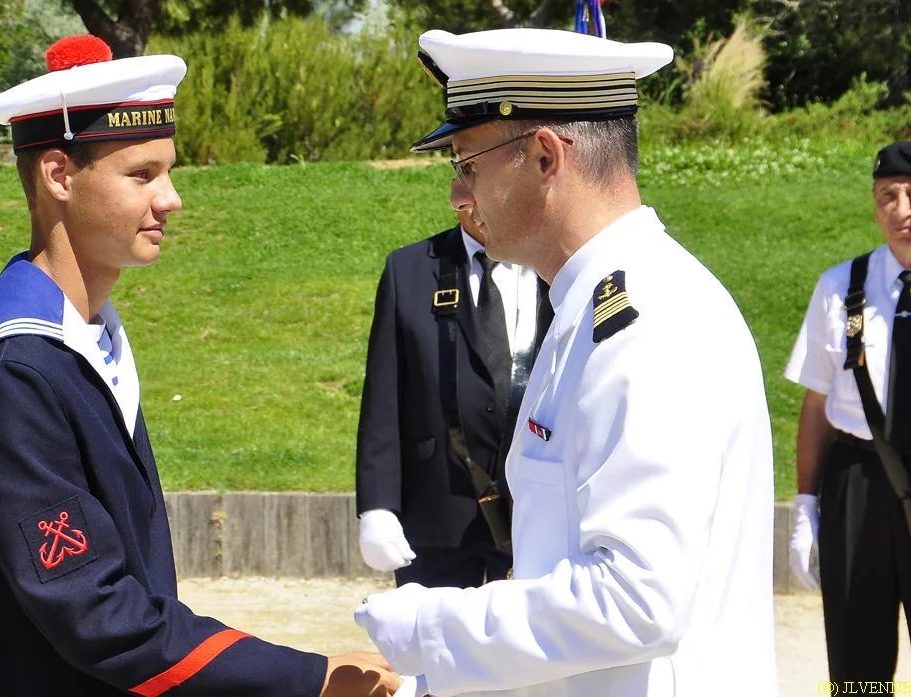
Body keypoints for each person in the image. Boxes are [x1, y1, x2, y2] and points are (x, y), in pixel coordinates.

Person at [0, 34, 400, 697]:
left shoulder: (81, 337)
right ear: (58, 175)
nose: (171, 199)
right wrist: (307, 680)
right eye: (141, 175)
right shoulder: (10, 373)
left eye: (167, 172)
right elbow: (98, 613)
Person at [354, 27, 778, 697]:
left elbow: (637, 600)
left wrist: (433, 625)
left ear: (546, 157)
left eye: (468, 164)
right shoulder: (592, 306)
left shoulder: (644, 322)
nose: (458, 194)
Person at [356, 179, 553, 587]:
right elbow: (384, 395)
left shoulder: (558, 267)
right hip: (436, 504)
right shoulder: (409, 269)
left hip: (540, 503)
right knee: (431, 645)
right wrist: (377, 505)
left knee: (527, 646)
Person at [786, 141, 911, 683]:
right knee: (857, 657)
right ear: (873, 204)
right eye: (888, 196)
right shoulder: (841, 288)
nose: (901, 209)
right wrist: (806, 506)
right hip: (859, 482)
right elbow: (816, 404)